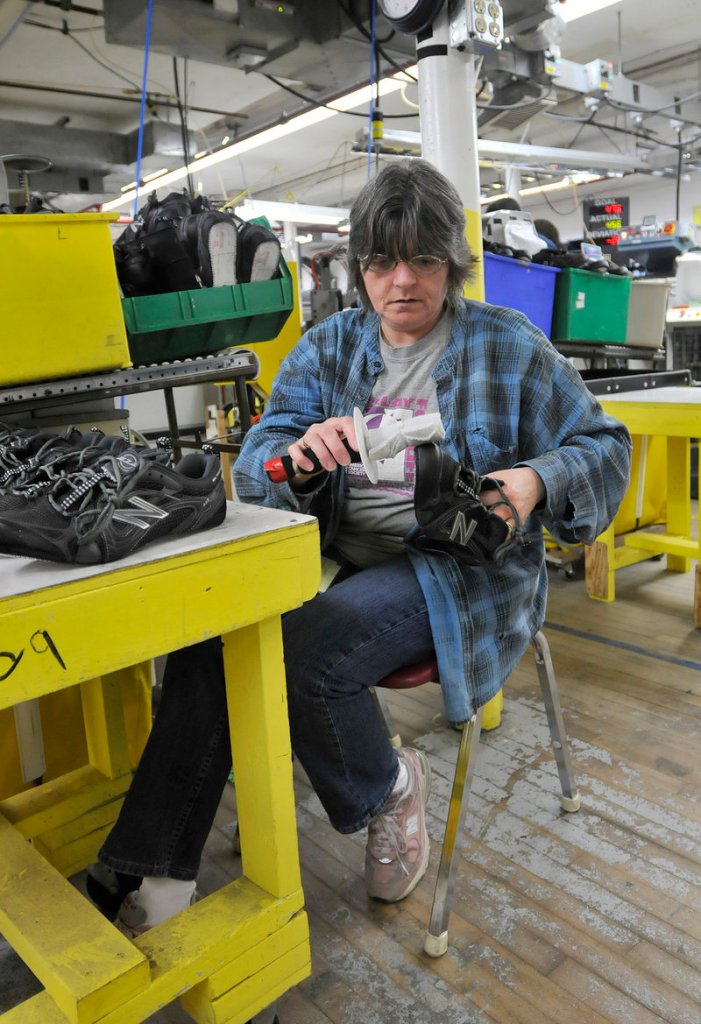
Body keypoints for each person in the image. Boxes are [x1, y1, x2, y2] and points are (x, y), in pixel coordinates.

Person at [88, 159, 631, 934]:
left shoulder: (505, 346)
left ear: (451, 262)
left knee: (303, 655)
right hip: (336, 554)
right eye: (380, 261)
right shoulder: (330, 346)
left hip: (456, 570)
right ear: (359, 268)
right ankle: (157, 864)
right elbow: (262, 456)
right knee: (211, 634)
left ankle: (387, 789)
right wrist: (297, 455)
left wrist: (535, 482)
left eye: (422, 260)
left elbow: (604, 445)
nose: (400, 281)